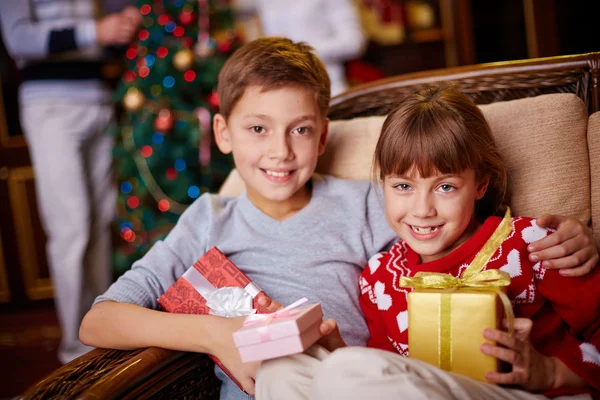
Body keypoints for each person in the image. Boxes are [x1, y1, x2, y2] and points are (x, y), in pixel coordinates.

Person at [79, 39, 598, 400]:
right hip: (279, 384)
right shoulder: (208, 219)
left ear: (323, 136)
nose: (280, 151)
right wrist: (219, 335)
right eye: (258, 128)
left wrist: (568, 238)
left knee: (344, 372)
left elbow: (451, 228)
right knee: (284, 372)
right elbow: (97, 321)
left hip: (368, 378)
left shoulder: (374, 203)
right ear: (223, 134)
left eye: (300, 130)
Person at [255, 86, 600, 400]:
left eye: (445, 186)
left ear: (480, 184)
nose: (422, 210)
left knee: (348, 372)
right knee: (282, 369)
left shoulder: (532, 244)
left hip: (523, 394)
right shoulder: (379, 279)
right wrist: (336, 349)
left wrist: (550, 372)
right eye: (403, 186)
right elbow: (389, 378)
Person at [0, 1, 141, 363]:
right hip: (50, 105)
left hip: (99, 99)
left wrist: (122, 25)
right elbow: (17, 39)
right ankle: (74, 353)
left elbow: (108, 29)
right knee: (71, 230)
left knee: (97, 225)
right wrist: (95, 31)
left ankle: (95, 337)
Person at [233, 0, 366, 96]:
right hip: (277, 88)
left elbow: (354, 42)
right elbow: (237, 10)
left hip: (325, 86)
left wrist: (294, 51)